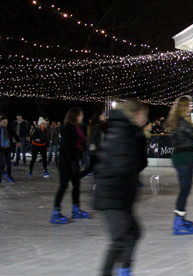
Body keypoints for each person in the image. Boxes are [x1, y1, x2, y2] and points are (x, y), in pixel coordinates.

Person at [94, 100, 148, 276]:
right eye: (145, 115)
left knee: (133, 232)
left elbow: (138, 163)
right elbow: (122, 164)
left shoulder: (127, 131)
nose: (146, 119)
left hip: (120, 195)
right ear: (138, 113)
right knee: (120, 238)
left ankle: (124, 269)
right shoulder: (123, 132)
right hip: (111, 195)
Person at [165, 95, 193, 234]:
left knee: (185, 190)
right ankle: (178, 221)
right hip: (185, 158)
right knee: (185, 190)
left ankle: (180, 218)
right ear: (184, 106)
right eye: (190, 105)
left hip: (182, 157)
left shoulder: (177, 121)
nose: (191, 107)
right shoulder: (182, 122)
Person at [51, 107, 89, 224]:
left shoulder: (79, 127)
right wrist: (72, 162)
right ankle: (55, 212)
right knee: (64, 185)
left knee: (76, 184)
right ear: (75, 116)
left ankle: (75, 209)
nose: (82, 116)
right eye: (80, 115)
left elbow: (81, 144)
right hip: (65, 161)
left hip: (74, 160)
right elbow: (66, 147)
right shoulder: (68, 128)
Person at [80, 110, 106, 178]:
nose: (104, 117)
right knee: (93, 168)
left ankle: (77, 177)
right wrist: (96, 148)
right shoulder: (97, 125)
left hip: (96, 151)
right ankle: (77, 177)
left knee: (92, 168)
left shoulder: (99, 125)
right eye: (103, 115)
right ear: (99, 116)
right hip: (95, 152)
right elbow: (93, 138)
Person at [0, 116, 15, 183]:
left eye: (6, 122)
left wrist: (18, 141)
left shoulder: (9, 128)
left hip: (8, 147)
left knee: (8, 163)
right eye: (4, 122)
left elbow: (14, 134)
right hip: (1, 148)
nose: (5, 123)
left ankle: (9, 175)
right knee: (0, 163)